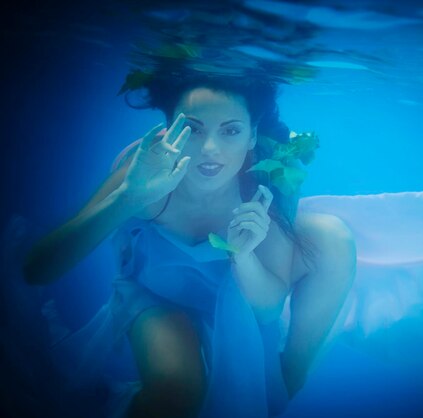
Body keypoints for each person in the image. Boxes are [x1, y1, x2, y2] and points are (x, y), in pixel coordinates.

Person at [19, 74, 357, 418]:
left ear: (252, 135)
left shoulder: (264, 184)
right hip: (155, 297)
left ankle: (288, 382)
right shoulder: (146, 170)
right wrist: (128, 198)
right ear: (169, 129)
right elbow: (38, 270)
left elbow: (268, 309)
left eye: (230, 130)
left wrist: (243, 257)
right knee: (177, 393)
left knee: (331, 240)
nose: (210, 149)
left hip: (241, 306)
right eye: (193, 129)